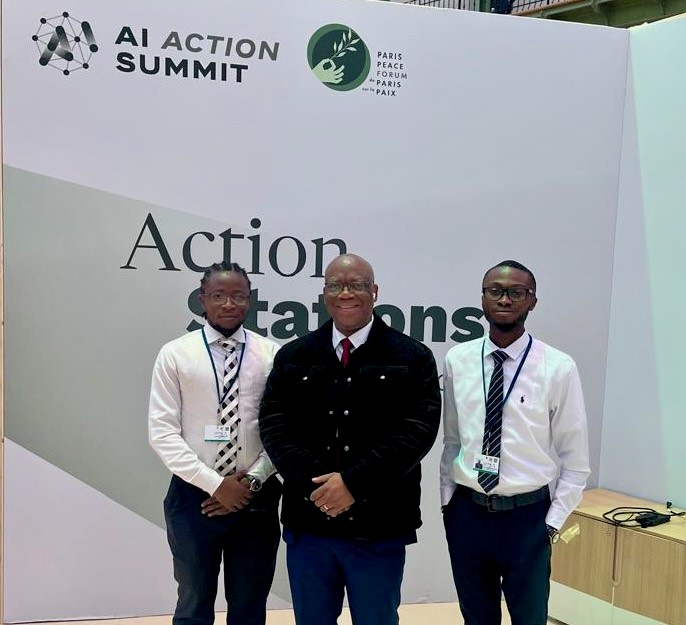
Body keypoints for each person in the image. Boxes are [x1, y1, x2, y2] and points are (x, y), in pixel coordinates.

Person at [259, 253, 441, 625]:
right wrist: (323, 489)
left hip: (380, 527)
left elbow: (417, 433)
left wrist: (353, 484)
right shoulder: (294, 356)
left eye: (357, 285)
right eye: (336, 286)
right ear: (324, 293)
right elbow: (275, 428)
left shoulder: (413, 357)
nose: (347, 294)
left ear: (374, 292)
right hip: (310, 526)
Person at [440, 259, 590, 625]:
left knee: (530, 617)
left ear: (532, 301)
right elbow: (453, 439)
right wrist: (448, 503)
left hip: (528, 518)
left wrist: (551, 523)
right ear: (482, 298)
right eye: (496, 291)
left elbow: (576, 461)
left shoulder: (558, 367)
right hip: (468, 514)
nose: (504, 299)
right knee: (476, 617)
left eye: (516, 292)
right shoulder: (458, 359)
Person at [149, 261, 281, 625]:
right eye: (219, 295)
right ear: (202, 300)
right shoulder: (176, 354)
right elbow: (162, 432)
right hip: (193, 498)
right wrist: (215, 485)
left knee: (250, 605)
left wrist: (250, 481)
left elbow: (283, 433)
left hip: (256, 497)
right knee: (193, 604)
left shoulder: (272, 355)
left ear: (249, 300)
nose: (228, 304)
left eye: (238, 296)